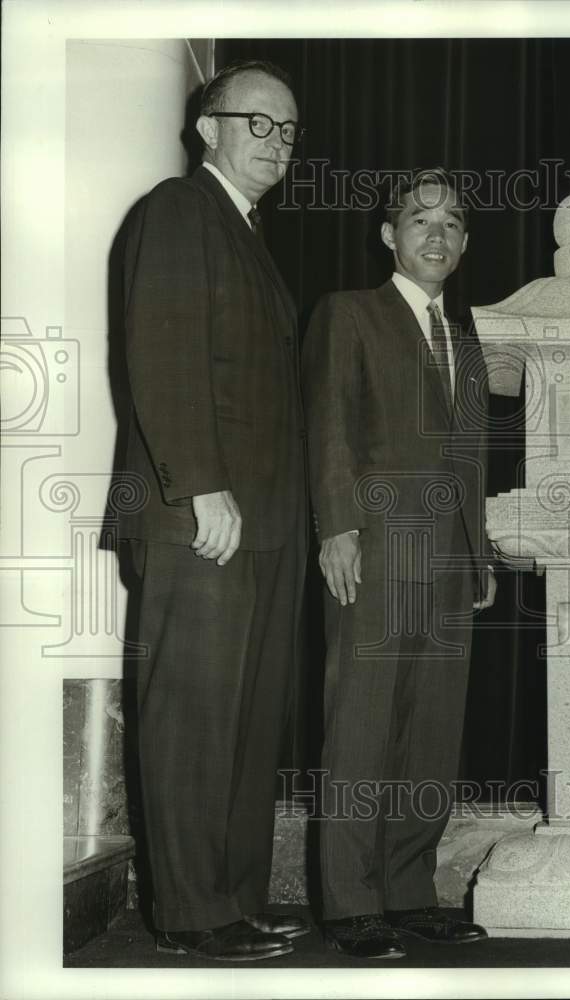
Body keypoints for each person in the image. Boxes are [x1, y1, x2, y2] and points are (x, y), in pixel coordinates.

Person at [120, 59, 308, 961]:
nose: (275, 143)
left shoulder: (247, 237)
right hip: (202, 511)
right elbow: (160, 351)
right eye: (257, 123)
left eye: (287, 130)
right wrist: (197, 483)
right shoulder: (177, 210)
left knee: (245, 713)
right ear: (209, 128)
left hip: (263, 519)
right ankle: (191, 913)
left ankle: (232, 898)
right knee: (193, 710)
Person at [302, 168, 497, 959]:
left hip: (450, 559)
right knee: (361, 723)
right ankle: (350, 903)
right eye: (420, 220)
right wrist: (336, 528)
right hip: (376, 550)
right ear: (390, 235)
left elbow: (473, 459)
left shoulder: (469, 338)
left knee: (431, 729)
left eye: (452, 223)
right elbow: (328, 425)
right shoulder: (349, 314)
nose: (438, 234)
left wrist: (478, 554)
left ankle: (408, 890)